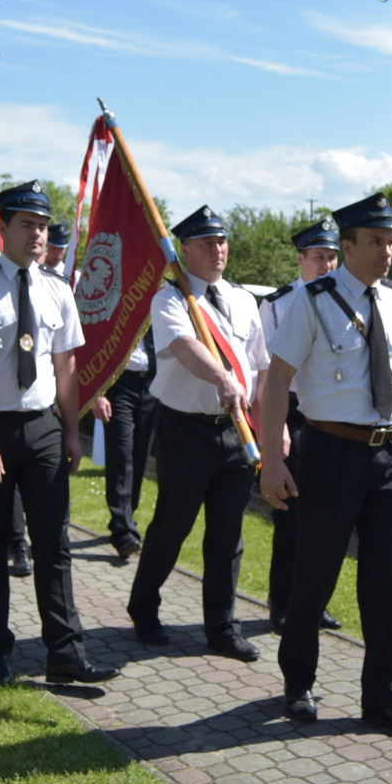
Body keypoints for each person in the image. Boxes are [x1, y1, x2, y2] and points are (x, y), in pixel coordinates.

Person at [258, 194, 392, 741]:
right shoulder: (310, 300)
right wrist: (273, 460)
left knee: (388, 582)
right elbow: (276, 382)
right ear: (347, 245)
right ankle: (298, 683)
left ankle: (382, 699)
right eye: (376, 241)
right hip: (329, 452)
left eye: (391, 241)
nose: (387, 251)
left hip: (387, 456)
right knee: (315, 575)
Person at [0, 180, 118, 686]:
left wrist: (69, 432)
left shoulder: (58, 289)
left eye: (42, 226)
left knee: (53, 543)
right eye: (27, 224)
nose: (37, 234)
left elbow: (66, 368)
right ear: (5, 228)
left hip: (42, 428)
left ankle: (64, 652)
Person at [126, 206, 267, 664]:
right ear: (183, 250)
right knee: (172, 527)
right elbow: (185, 349)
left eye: (221, 241)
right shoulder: (171, 299)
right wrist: (221, 378)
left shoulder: (244, 300)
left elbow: (260, 366)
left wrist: (263, 422)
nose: (217, 249)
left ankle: (222, 628)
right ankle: (143, 607)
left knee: (228, 535)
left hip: (235, 431)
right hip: (185, 430)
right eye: (206, 243)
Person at [257, 217, 344, 634]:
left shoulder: (344, 301)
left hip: (326, 415)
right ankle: (282, 604)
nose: (326, 265)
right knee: (289, 517)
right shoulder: (277, 303)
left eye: (331, 256)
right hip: (289, 410)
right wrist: (278, 429)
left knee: (325, 518)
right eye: (318, 257)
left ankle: (314, 604)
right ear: (301, 260)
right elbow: (270, 375)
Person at [91, 332, 158, 561]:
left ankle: (124, 518)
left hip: (152, 384)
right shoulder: (119, 299)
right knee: (121, 455)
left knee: (139, 458)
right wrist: (97, 393)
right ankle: (124, 533)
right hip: (119, 384)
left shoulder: (160, 298)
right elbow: (96, 343)